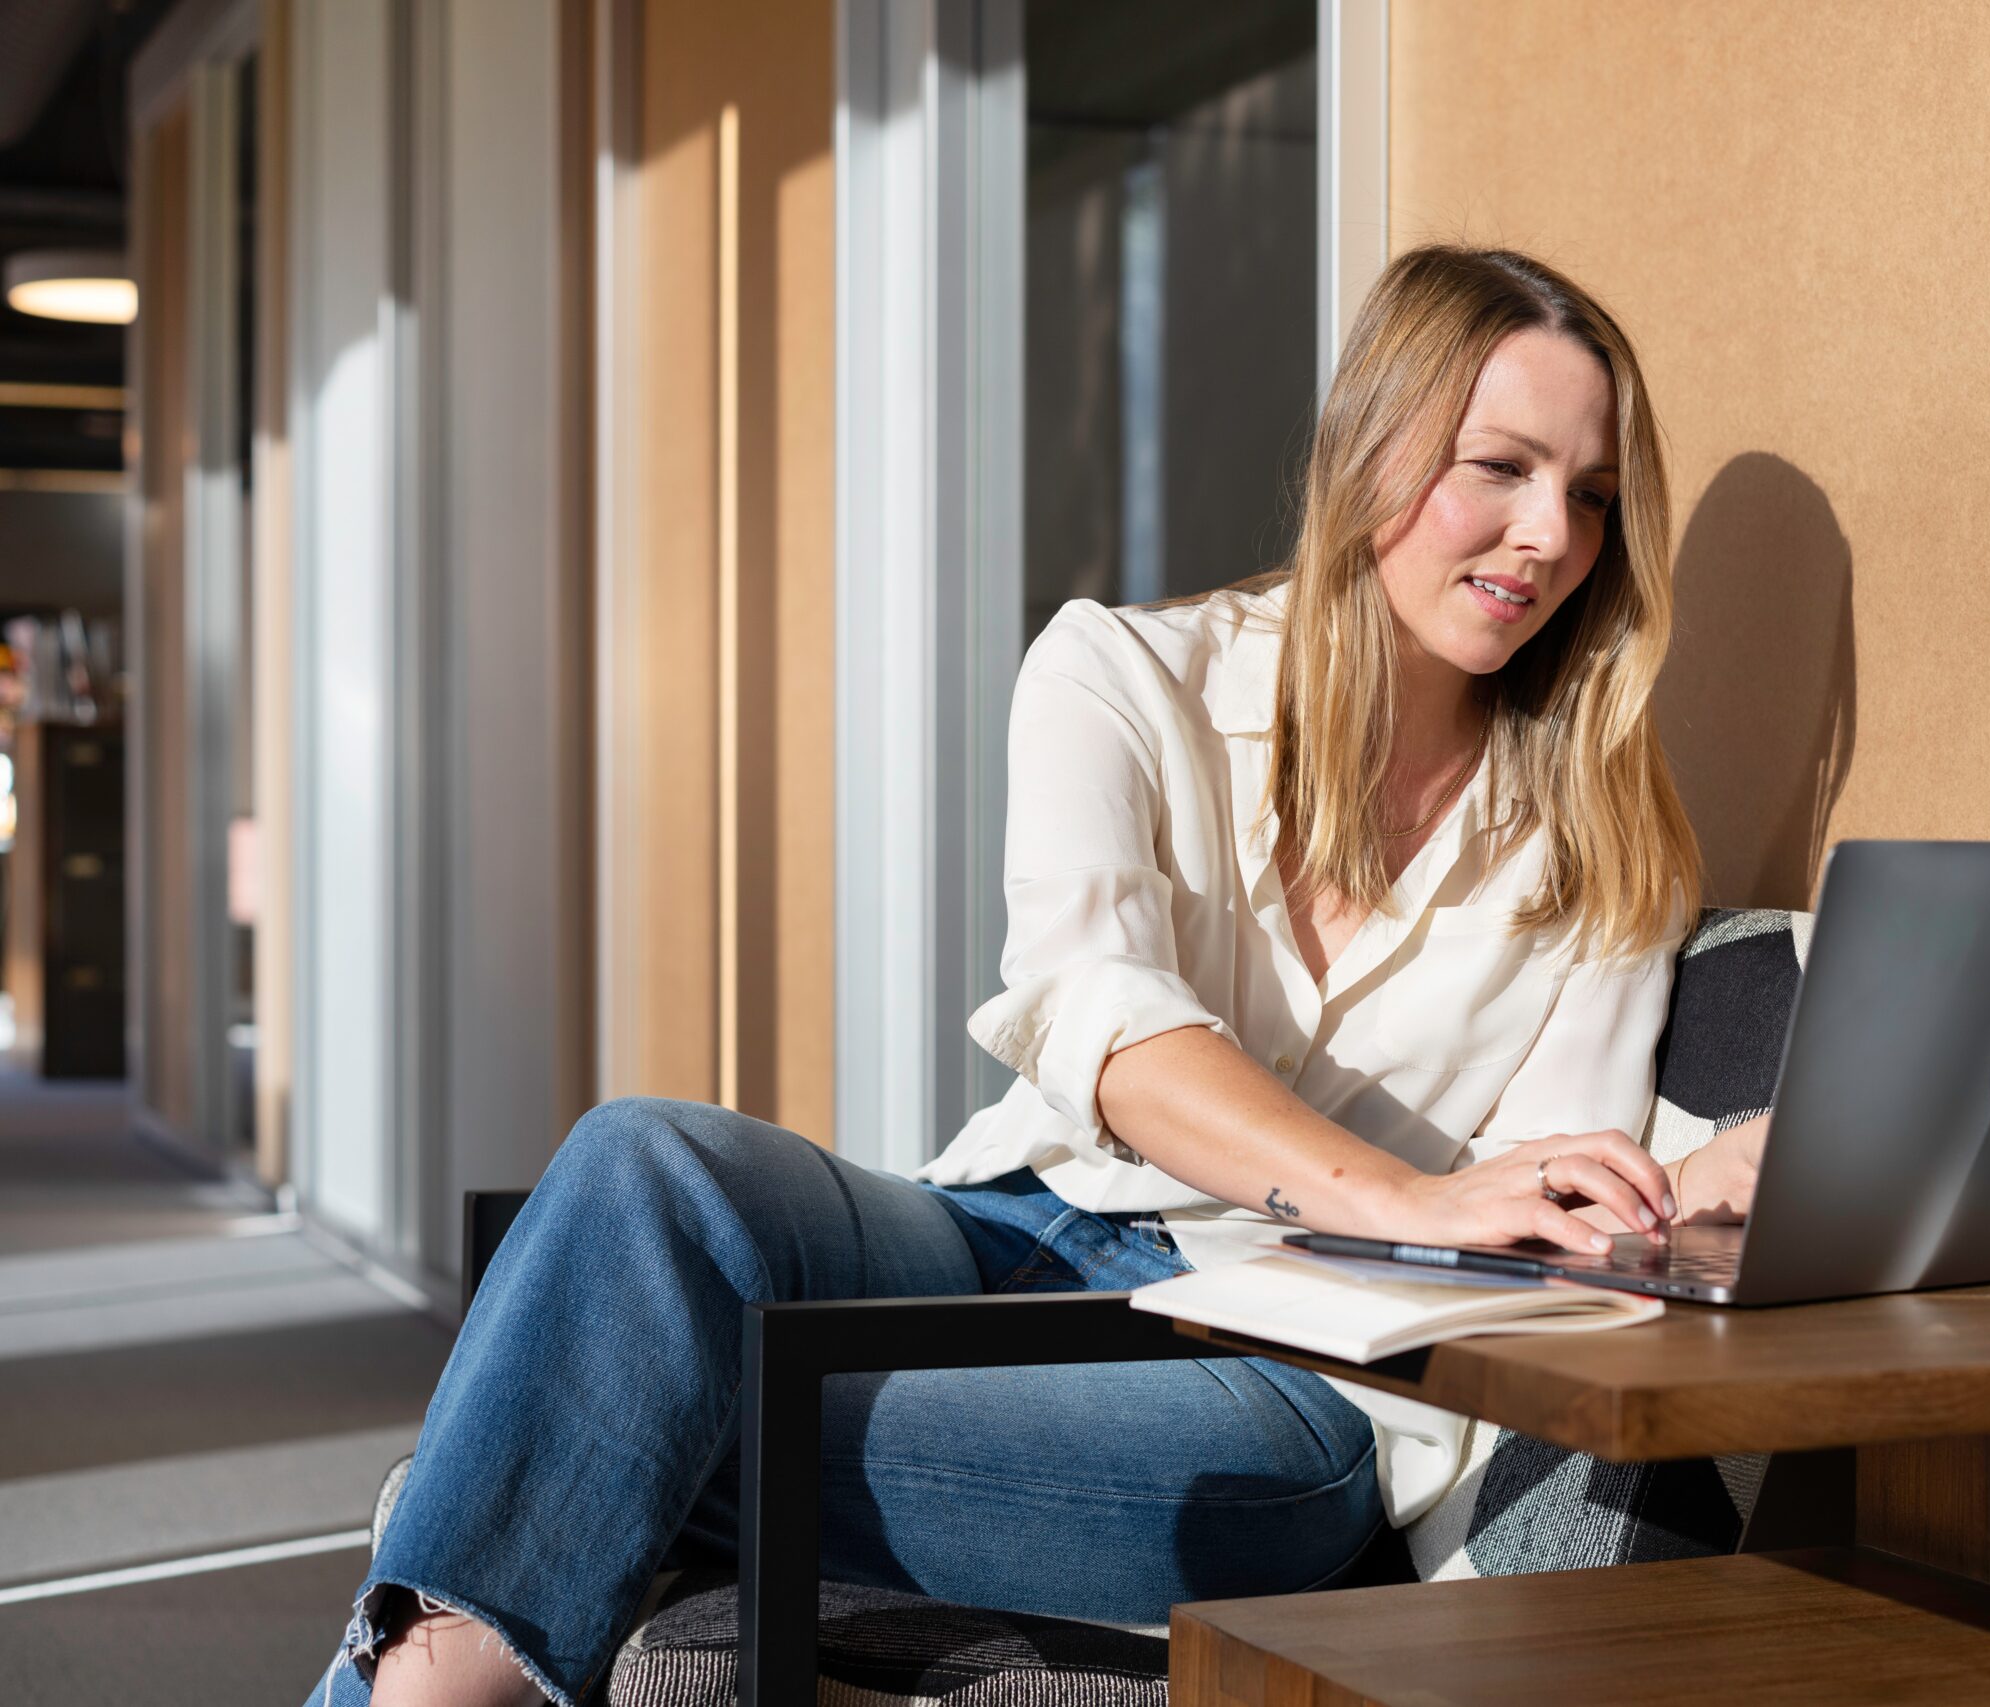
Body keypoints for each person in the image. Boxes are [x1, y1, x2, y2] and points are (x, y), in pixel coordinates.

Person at [312, 244, 1767, 1707]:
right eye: (1501, 467)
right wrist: (1398, 1190)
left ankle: (479, 1544)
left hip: (1283, 1378)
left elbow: (1548, 1189)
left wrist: (1710, 1177)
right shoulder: (1124, 679)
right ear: (1372, 450)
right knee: (646, 1165)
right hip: (1011, 1229)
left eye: (1589, 497)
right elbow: (1105, 1021)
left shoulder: (1601, 837)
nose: (1546, 537)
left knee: (582, 1406)